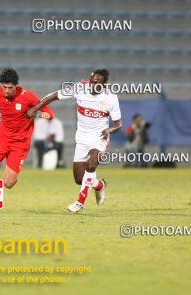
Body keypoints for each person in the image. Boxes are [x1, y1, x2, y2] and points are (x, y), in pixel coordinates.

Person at [27, 69, 122, 213]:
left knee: (91, 164)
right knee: (79, 179)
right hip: (82, 138)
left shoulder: (111, 98)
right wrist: (35, 108)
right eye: (92, 81)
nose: (93, 84)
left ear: (104, 85)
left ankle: (79, 202)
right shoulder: (79, 88)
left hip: (99, 138)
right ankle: (99, 185)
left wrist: (109, 130)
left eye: (97, 82)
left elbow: (118, 124)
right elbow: (54, 96)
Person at [0, 68, 54, 210]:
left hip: (20, 143)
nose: (7, 91)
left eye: (10, 88)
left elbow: (48, 110)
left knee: (8, 183)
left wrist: (47, 115)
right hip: (1, 137)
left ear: (16, 86)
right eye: (4, 87)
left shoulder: (28, 96)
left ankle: (6, 181)